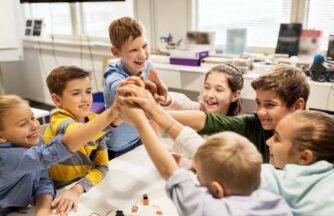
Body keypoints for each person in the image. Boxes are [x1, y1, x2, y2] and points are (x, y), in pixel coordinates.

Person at [114, 88, 292, 216]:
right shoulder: (275, 202)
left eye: (199, 180)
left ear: (216, 190)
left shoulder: (206, 208)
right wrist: (153, 112)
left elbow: (169, 171)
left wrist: (140, 122)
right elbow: (199, 149)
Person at [0, 95, 118, 216]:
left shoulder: (36, 142)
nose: (35, 126)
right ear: (0, 137)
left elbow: (44, 181)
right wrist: (111, 116)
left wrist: (42, 212)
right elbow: (56, 150)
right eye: (23, 124)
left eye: (32, 118)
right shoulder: (5, 158)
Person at [166, 64, 310, 162]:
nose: (259, 111)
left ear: (297, 105)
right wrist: (154, 112)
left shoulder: (316, 140)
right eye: (258, 103)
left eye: (270, 105)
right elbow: (207, 120)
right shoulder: (253, 124)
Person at [43, 66, 112, 215]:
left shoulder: (94, 122)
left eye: (88, 91)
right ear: (57, 99)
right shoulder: (58, 119)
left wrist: (77, 189)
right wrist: (113, 117)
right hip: (52, 194)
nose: (86, 98)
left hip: (77, 189)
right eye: (76, 93)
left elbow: (102, 166)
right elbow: (79, 133)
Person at [103, 16, 167, 159]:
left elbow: (154, 109)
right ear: (116, 52)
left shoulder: (148, 65)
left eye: (145, 46)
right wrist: (138, 88)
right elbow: (118, 87)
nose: (143, 55)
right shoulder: (113, 72)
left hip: (141, 137)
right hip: (119, 146)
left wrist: (158, 144)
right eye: (133, 50)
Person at [260, 110, 334, 215]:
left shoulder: (296, 179)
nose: (268, 142)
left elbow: (249, 174)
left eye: (277, 138)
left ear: (304, 157)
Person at [161, 64, 244, 116]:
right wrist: (166, 99)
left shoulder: (236, 128)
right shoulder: (200, 110)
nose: (210, 95)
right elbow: (181, 103)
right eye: (207, 87)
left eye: (218, 90)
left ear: (235, 95)